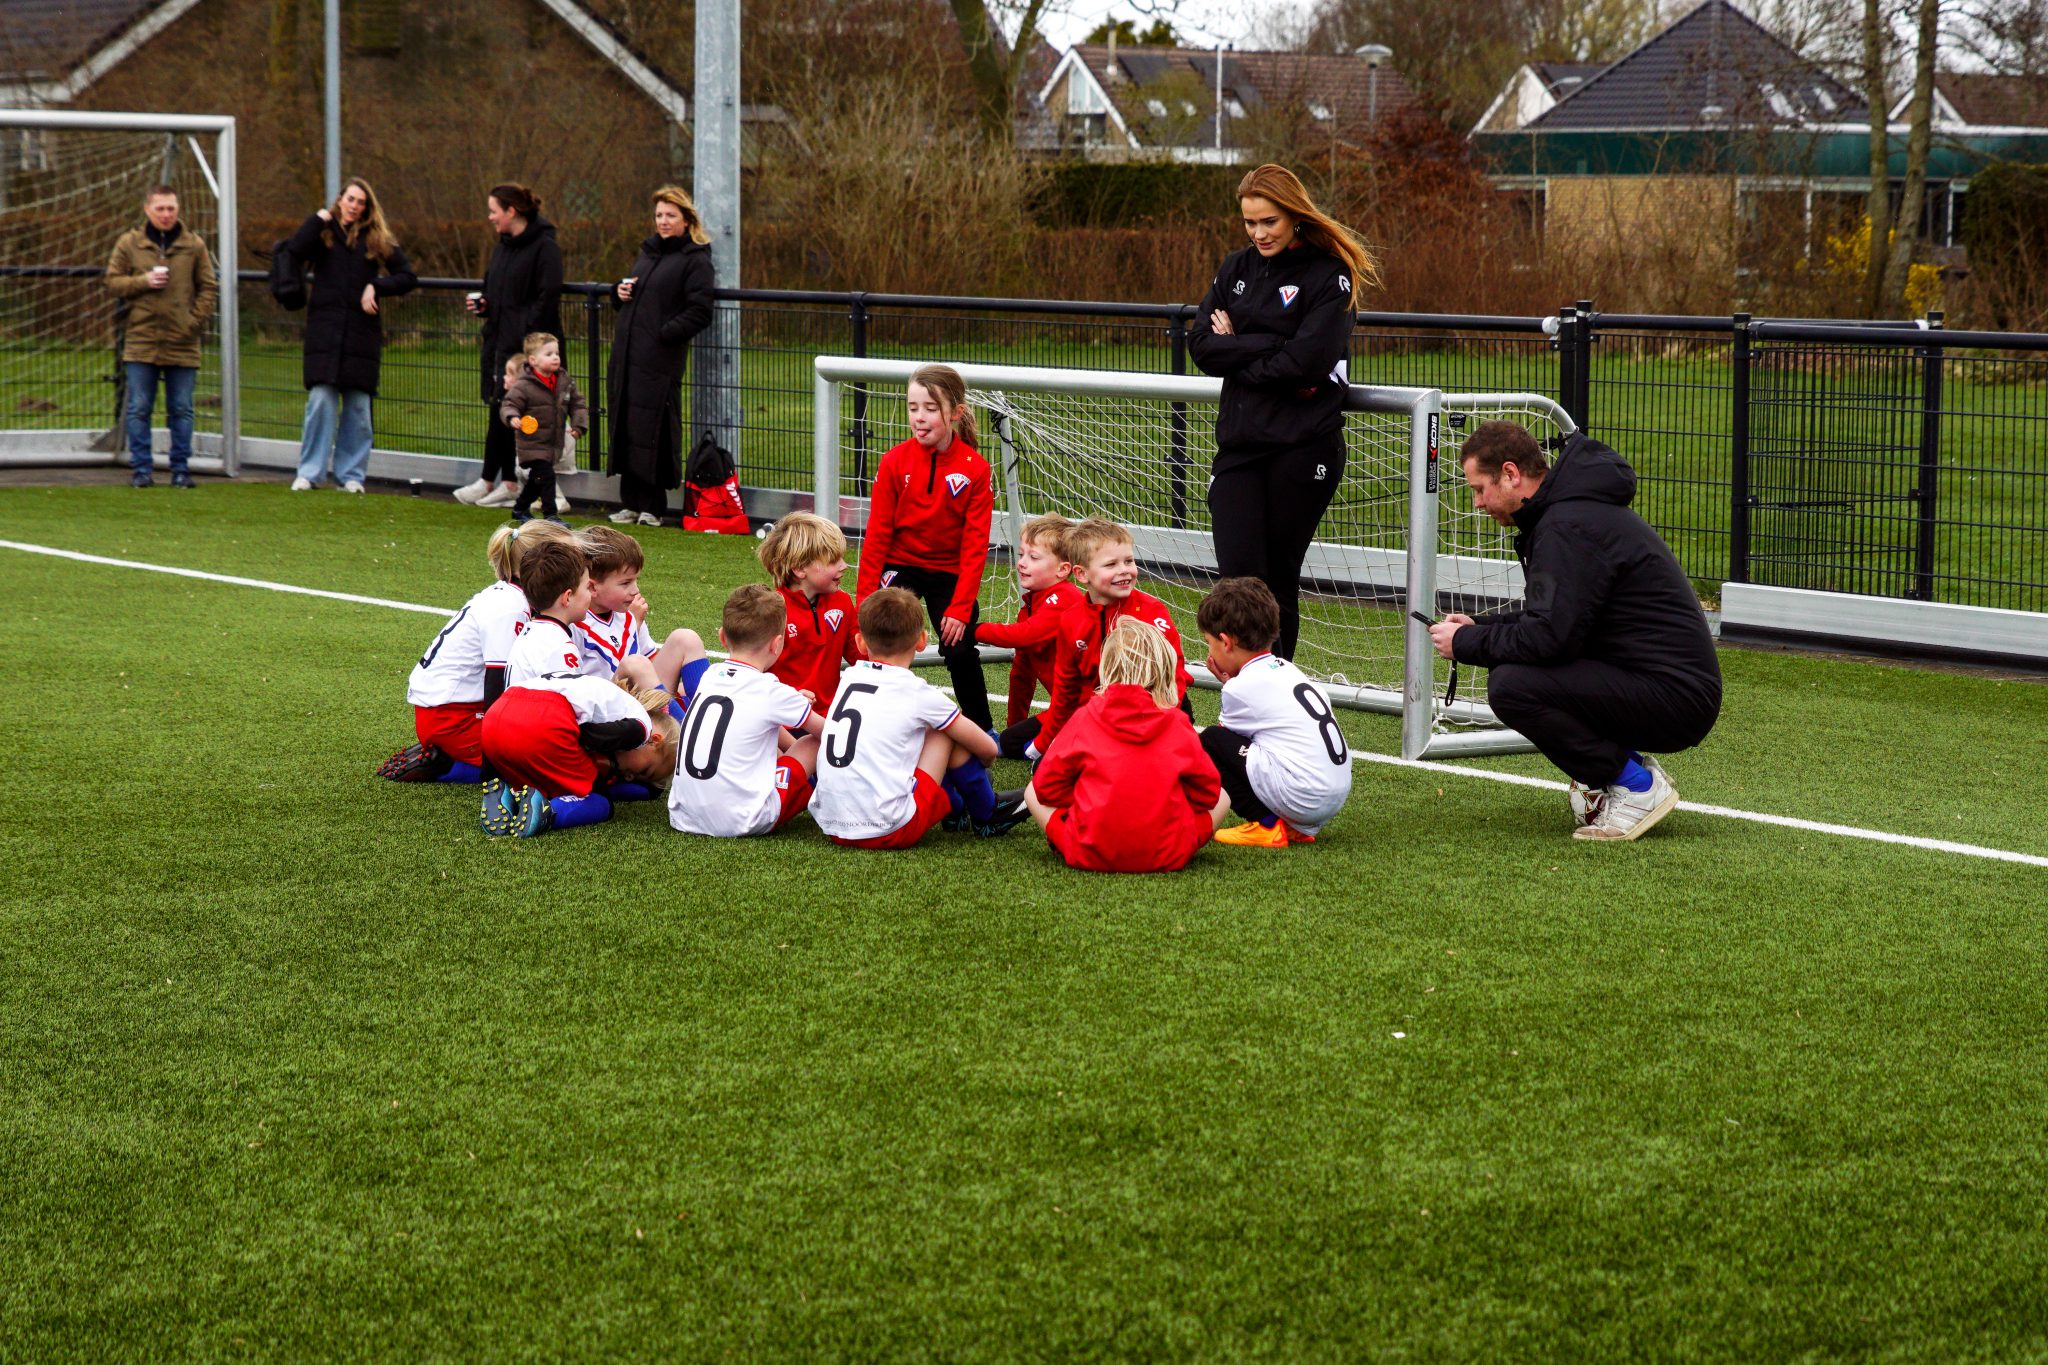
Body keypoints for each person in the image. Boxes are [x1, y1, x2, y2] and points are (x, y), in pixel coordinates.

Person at [1427, 421, 1722, 842]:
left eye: (1479, 489)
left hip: (1676, 697)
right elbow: (1556, 619)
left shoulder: (1566, 526)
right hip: (1663, 683)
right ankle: (1629, 770)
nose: (1477, 503)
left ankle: (1636, 786)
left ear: (1511, 474)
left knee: (1513, 685)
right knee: (1516, 673)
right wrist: (1479, 627)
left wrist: (1467, 644)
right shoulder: (1569, 514)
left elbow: (1549, 638)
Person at [1188, 163, 1377, 662]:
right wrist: (1271, 345)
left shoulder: (1329, 274)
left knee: (1274, 582)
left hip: (1303, 448)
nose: (1258, 233)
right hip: (1240, 448)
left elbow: (1308, 363)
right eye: (1250, 223)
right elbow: (1202, 345)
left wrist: (1240, 347)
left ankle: (1277, 699)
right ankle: (1250, 690)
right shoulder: (1236, 268)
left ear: (1293, 215)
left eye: (1268, 221)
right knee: (1237, 584)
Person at [810, 588, 1021, 848]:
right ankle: (986, 813)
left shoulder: (849, 678)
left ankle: (955, 811)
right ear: (922, 641)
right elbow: (988, 749)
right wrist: (981, 767)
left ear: (860, 643)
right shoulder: (916, 692)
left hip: (831, 823)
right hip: (887, 829)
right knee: (944, 731)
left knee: (913, 735)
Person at [378, 521, 581, 784]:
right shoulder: (511, 606)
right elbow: (498, 684)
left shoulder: (513, 596)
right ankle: (448, 766)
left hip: (452, 710)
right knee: (551, 757)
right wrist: (497, 762)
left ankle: (456, 757)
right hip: (453, 718)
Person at [1024, 618, 1230, 874]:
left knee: (1031, 791)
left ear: (1107, 669)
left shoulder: (1085, 717)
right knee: (1224, 796)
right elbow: (1209, 794)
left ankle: (1072, 839)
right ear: (1163, 671)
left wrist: (1087, 799)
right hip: (1167, 853)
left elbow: (1046, 788)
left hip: (1088, 850)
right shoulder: (1178, 722)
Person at [853, 364, 995, 731]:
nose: (919, 417)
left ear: (955, 413)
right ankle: (867, 720)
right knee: (877, 636)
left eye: (930, 408)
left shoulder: (975, 470)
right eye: (913, 407)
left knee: (960, 647)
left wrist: (961, 607)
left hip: (949, 572)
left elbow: (975, 544)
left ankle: (982, 728)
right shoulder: (894, 461)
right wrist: (865, 600)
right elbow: (878, 536)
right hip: (900, 566)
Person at [1197, 577, 1354, 848]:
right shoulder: (1287, 668)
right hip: (1332, 796)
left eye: (1209, 642)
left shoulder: (1240, 688)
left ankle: (1266, 825)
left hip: (1303, 797)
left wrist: (1231, 686)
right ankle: (1292, 827)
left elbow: (1226, 747)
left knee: (1210, 741)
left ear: (1225, 642)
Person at [286, 177, 418, 494]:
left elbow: (408, 276)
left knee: (358, 410)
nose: (354, 206)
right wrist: (318, 218)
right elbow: (295, 249)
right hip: (324, 332)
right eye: (350, 199)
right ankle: (310, 472)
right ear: (340, 199)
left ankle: (352, 475)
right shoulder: (323, 232)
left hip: (362, 334)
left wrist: (377, 286)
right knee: (320, 402)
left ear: (366, 208)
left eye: (361, 202)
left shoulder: (376, 239)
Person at [668, 585, 830, 838]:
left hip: (682, 814)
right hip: (741, 820)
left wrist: (789, 704)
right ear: (777, 644)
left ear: (722, 637)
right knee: (812, 743)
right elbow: (831, 735)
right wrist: (794, 704)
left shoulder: (711, 675)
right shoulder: (770, 691)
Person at [1035, 518, 1192, 760]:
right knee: (1014, 743)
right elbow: (1065, 690)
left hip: (1158, 712)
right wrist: (1046, 744)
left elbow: (1175, 676)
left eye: (1128, 561)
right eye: (1111, 564)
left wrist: (1159, 723)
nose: (1124, 570)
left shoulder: (1152, 611)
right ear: (1082, 574)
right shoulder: (1071, 620)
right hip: (1099, 713)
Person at [606, 185, 716, 527]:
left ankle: (653, 506)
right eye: (659, 215)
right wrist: (618, 292)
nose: (663, 221)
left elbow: (700, 311)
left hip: (659, 361)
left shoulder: (695, 259)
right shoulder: (649, 253)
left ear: (686, 219)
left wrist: (663, 335)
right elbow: (639, 297)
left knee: (653, 428)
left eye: (670, 215)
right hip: (627, 358)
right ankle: (632, 502)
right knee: (626, 426)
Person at [455, 183, 564, 510]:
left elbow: (547, 298)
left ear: (511, 211)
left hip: (527, 349)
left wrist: (525, 341)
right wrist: (485, 306)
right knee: (499, 409)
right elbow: (496, 293)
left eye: (493, 210)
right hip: (500, 344)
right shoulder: (502, 249)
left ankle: (535, 487)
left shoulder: (545, 248)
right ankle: (498, 480)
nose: (490, 217)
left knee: (527, 417)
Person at [104, 185, 218, 489]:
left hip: (183, 340)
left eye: (171, 208)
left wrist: (193, 322)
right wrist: (144, 281)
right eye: (160, 209)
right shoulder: (130, 243)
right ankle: (141, 470)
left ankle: (181, 470)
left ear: (178, 209)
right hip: (141, 338)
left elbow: (208, 286)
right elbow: (113, 282)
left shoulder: (194, 245)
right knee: (139, 407)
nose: (166, 214)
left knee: (181, 407)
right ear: (147, 209)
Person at [479, 673, 679, 838]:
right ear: (654, 740)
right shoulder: (641, 727)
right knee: (600, 802)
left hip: (495, 718)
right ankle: (548, 811)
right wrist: (603, 764)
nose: (629, 777)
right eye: (644, 771)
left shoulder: (610, 699)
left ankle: (505, 795)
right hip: (543, 721)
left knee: (536, 779)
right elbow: (587, 736)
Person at [966, 513, 1080, 759]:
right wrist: (1013, 728)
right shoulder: (1029, 607)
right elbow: (1022, 674)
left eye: (1033, 557)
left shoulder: (1067, 597)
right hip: (1068, 710)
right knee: (1010, 742)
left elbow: (1024, 635)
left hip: (1088, 707)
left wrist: (974, 631)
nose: (1021, 563)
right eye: (1021, 555)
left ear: (1063, 570)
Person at [573, 524, 710, 715]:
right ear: (593, 588)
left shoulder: (625, 612)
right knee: (636, 665)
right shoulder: (574, 621)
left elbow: (649, 659)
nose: (635, 590)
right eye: (626, 583)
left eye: (635, 580)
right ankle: (687, 736)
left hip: (639, 698)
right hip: (607, 713)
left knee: (686, 638)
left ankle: (708, 719)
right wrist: (634, 626)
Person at [757, 512, 862, 705]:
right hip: (784, 721)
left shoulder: (843, 602)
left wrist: (887, 641)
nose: (844, 566)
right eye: (833, 560)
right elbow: (751, 675)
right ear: (800, 569)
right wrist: (788, 697)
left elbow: (861, 658)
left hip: (830, 718)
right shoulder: (772, 610)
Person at [499, 333, 587, 523]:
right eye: (548, 354)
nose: (555, 357)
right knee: (546, 476)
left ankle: (520, 508)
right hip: (532, 443)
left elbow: (578, 404)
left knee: (537, 480)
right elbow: (509, 404)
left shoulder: (564, 381)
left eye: (557, 353)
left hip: (553, 442)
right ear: (533, 360)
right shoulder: (524, 385)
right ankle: (551, 515)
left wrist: (579, 425)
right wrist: (512, 417)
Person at [503, 539, 593, 686]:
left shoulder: (533, 632)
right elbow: (573, 702)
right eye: (588, 587)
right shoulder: (559, 647)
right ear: (567, 597)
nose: (592, 594)